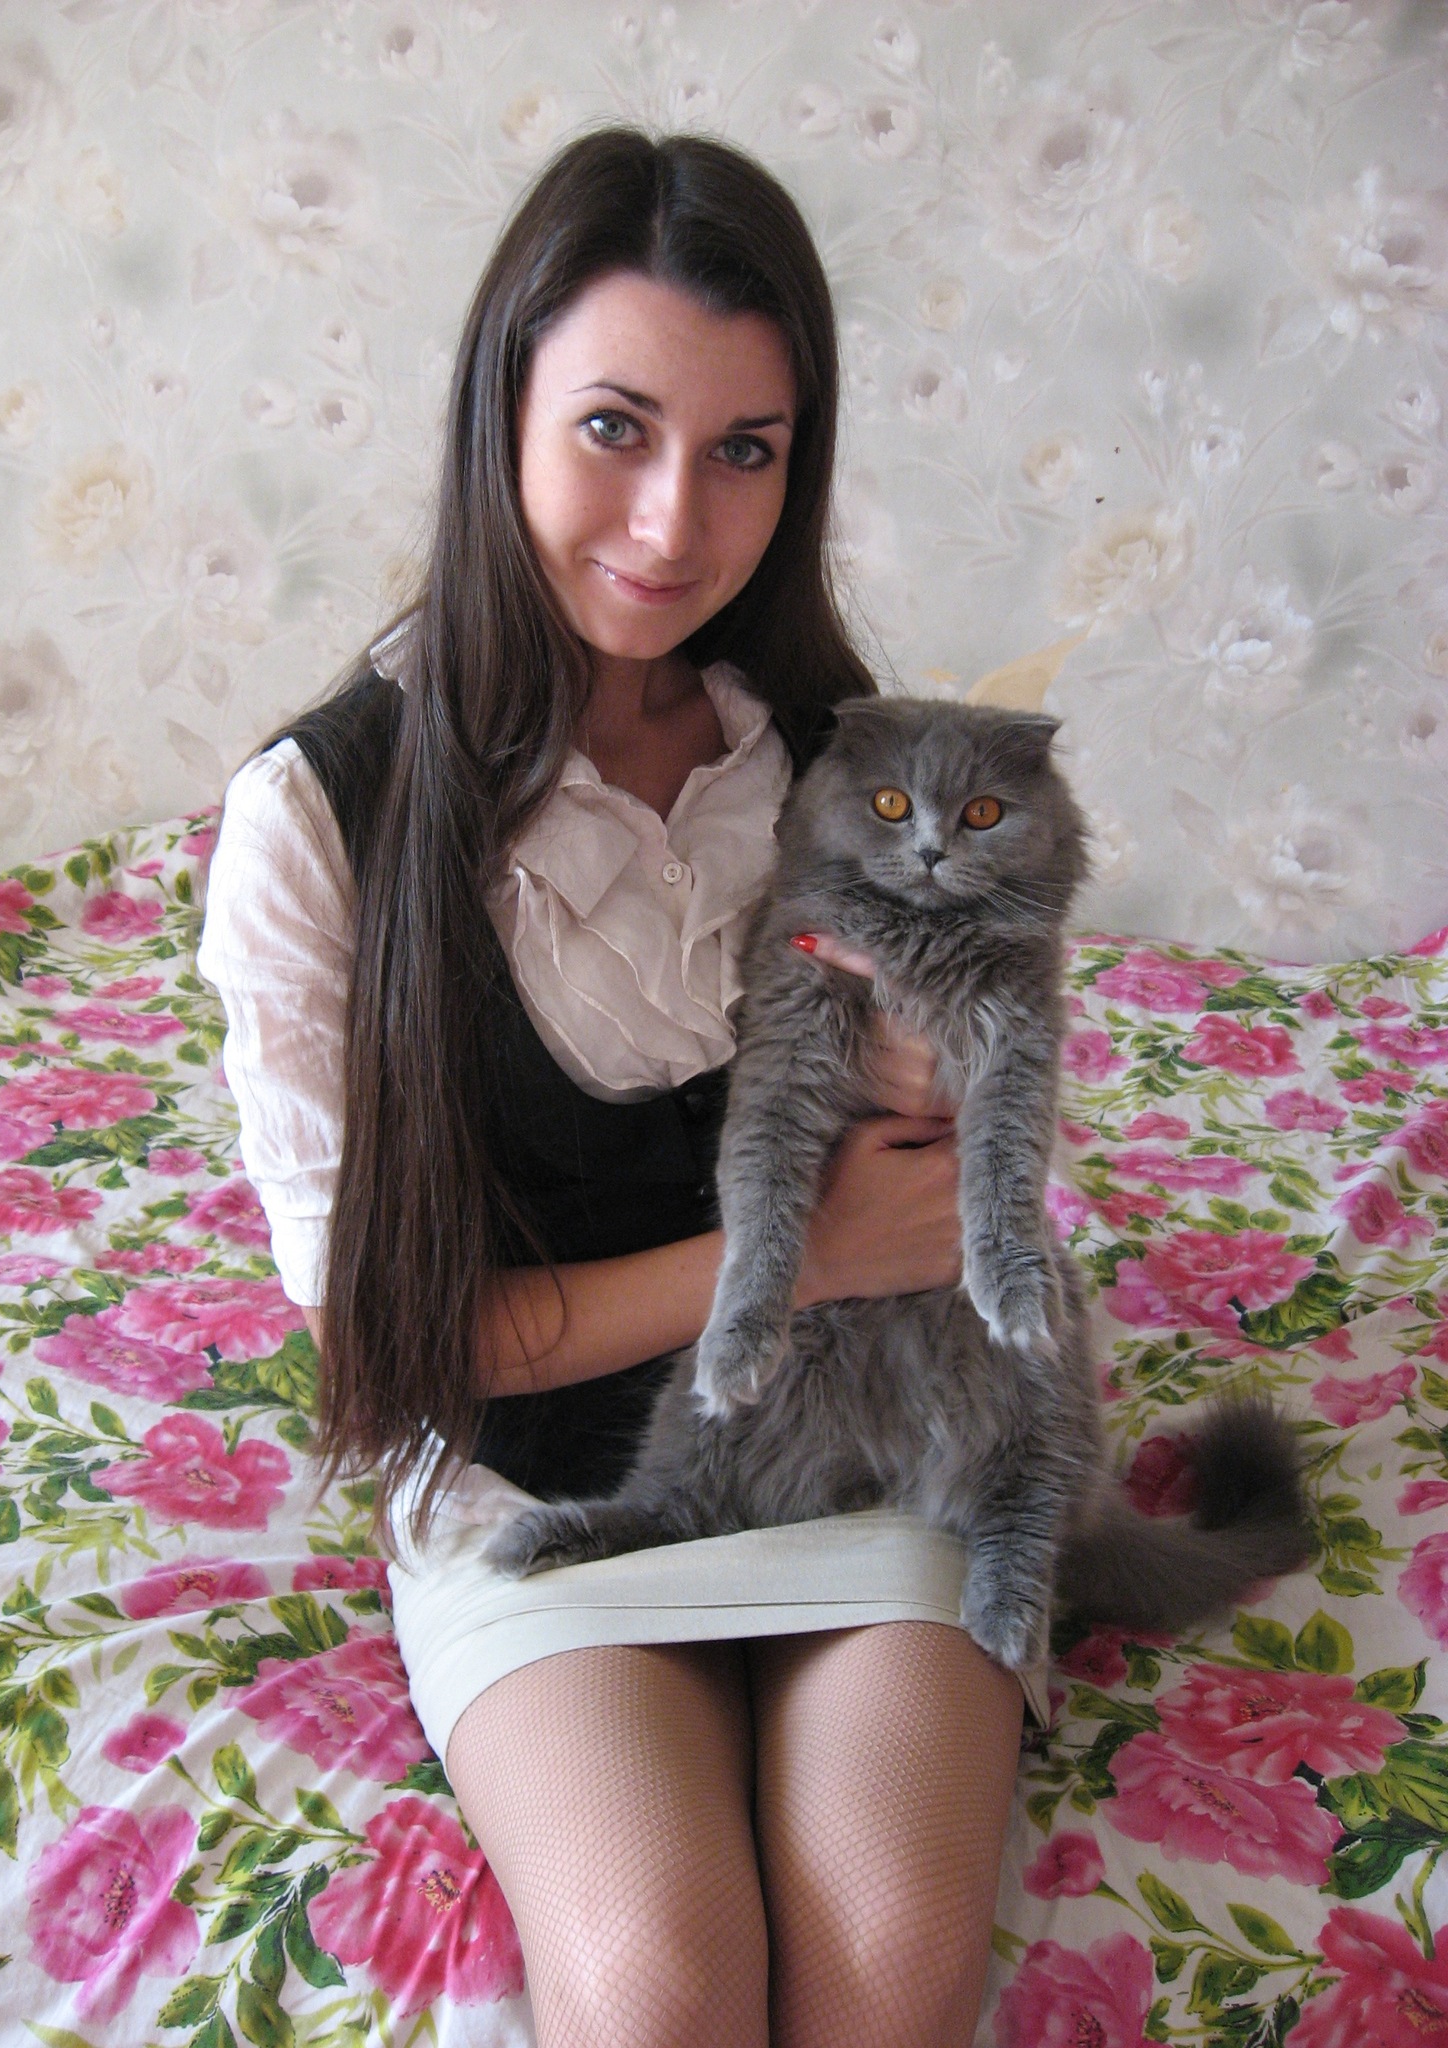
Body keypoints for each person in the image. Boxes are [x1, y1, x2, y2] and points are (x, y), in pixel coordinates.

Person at [199, 126, 1040, 2048]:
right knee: (657, 1984)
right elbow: (400, 1348)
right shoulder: (322, 824)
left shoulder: (836, 759)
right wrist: (795, 1249)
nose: (673, 522)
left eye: (745, 450)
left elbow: (934, 1181)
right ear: (500, 411)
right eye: (613, 428)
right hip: (539, 1494)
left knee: (894, 1959)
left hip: (869, 1442)